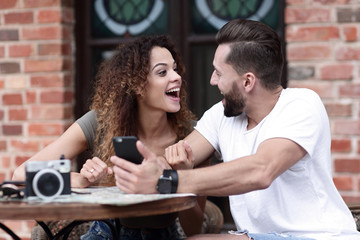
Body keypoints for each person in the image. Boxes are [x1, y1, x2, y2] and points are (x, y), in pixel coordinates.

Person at [109, 19, 360, 240]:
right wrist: (136, 171)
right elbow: (178, 157)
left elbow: (261, 170)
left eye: (219, 73)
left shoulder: (302, 104)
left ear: (247, 81)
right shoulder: (221, 115)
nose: (212, 81)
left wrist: (169, 180)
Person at [12, 35, 207, 239]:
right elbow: (20, 176)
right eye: (162, 72)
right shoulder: (101, 122)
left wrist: (183, 178)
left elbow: (194, 229)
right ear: (137, 85)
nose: (176, 76)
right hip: (105, 232)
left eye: (175, 69)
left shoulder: (195, 135)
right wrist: (78, 181)